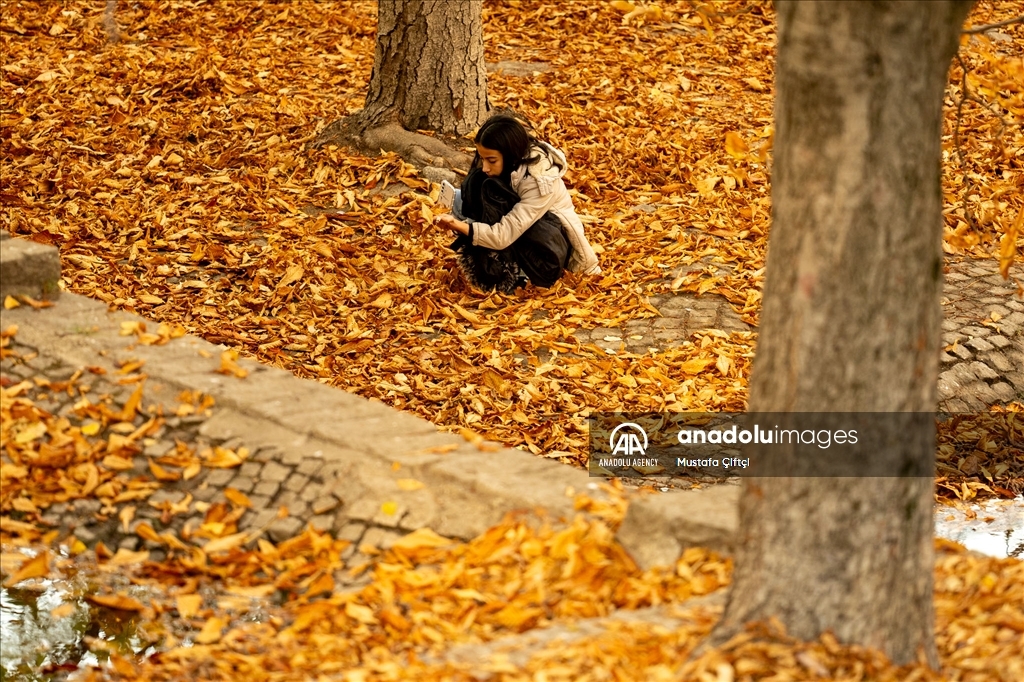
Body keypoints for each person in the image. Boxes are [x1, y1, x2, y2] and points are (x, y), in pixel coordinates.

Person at [435, 114, 601, 293]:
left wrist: (461, 226)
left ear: (510, 154)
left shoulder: (539, 183)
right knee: (472, 187)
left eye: (491, 160)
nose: (485, 167)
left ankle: (519, 272)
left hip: (548, 255)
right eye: (482, 159)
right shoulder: (510, 167)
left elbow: (503, 235)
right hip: (520, 230)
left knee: (483, 194)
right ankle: (488, 258)